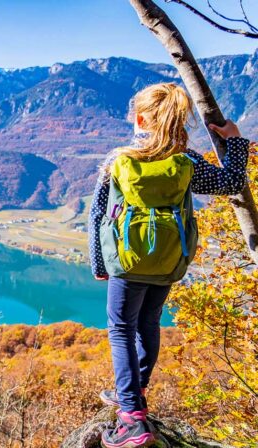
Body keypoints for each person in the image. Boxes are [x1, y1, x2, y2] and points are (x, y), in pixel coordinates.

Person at [88, 82, 249, 448]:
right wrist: (236, 140)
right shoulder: (186, 160)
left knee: (120, 330)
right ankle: (134, 392)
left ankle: (131, 417)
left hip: (126, 262)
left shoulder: (119, 159)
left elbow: (98, 214)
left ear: (141, 118)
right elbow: (231, 181)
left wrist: (100, 262)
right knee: (148, 322)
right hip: (169, 259)